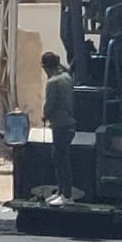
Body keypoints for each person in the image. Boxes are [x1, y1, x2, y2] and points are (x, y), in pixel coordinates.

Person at [41, 51, 75, 206]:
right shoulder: (67, 77)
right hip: (68, 123)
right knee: (61, 157)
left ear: (47, 67)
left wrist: (44, 116)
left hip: (60, 124)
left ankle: (65, 194)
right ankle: (61, 191)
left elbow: (50, 104)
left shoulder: (53, 82)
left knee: (61, 159)